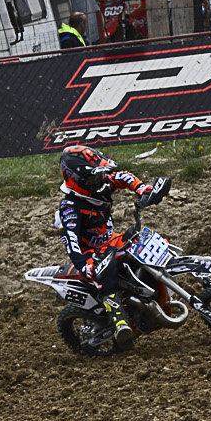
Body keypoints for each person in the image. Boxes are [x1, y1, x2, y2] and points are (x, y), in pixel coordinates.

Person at [56, 144, 161, 348]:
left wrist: (141, 188)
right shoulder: (70, 206)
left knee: (141, 239)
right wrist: (84, 266)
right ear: (77, 180)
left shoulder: (98, 184)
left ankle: (153, 288)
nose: (99, 180)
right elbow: (71, 239)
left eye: (98, 175)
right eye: (93, 178)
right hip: (91, 254)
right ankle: (120, 323)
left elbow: (121, 176)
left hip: (111, 240)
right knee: (107, 270)